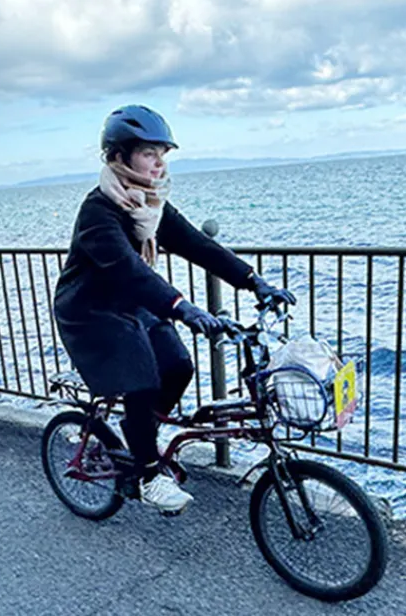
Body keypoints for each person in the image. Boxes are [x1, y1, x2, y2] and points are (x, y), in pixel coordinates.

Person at [53, 105, 296, 513]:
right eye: (149, 153)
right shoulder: (99, 211)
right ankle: (147, 473)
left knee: (180, 365)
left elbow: (198, 246)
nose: (159, 162)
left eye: (163, 153)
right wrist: (182, 307)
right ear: (118, 157)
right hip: (91, 313)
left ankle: (141, 435)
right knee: (142, 378)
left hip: (132, 305)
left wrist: (254, 281)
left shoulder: (149, 205)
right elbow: (129, 270)